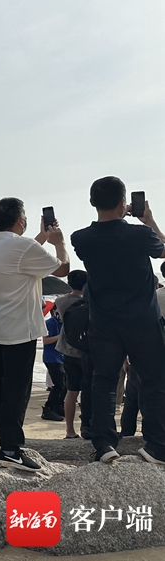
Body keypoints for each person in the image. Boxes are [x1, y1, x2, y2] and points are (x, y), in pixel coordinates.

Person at [71, 176, 165, 464]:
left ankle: (104, 445)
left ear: (92, 202)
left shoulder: (80, 238)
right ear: (124, 202)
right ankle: (157, 446)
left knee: (104, 381)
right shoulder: (140, 234)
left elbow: (105, 239)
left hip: (103, 321)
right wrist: (149, 220)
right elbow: (163, 250)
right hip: (143, 320)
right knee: (154, 381)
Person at [0, 197, 70, 472]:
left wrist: (41, 237)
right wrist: (59, 243)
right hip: (19, 330)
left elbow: (19, 255)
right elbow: (62, 268)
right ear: (20, 220)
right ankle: (10, 449)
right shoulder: (23, 247)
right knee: (17, 390)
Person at [54, 270, 90, 439]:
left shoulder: (61, 301)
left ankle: (69, 430)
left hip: (68, 348)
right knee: (89, 390)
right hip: (87, 349)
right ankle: (88, 425)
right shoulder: (90, 301)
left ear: (69, 283)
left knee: (71, 391)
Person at [41, 307, 66, 422]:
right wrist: (60, 337)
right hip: (52, 358)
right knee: (59, 385)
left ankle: (58, 406)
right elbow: (45, 341)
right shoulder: (49, 323)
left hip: (62, 357)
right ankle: (48, 408)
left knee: (66, 385)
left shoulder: (64, 323)